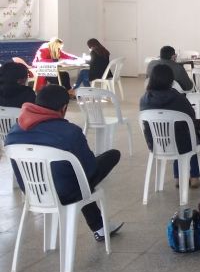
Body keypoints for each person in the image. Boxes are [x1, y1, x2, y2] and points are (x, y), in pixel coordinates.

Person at [5, 85, 124, 241]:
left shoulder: (14, 132)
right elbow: (89, 170)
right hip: (66, 193)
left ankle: (100, 227)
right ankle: (100, 227)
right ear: (64, 108)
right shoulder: (70, 132)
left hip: (33, 192)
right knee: (108, 158)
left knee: (77, 179)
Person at [140, 64, 200, 188]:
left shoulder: (144, 99)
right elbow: (190, 117)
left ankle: (178, 177)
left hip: (155, 144)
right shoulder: (178, 98)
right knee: (189, 134)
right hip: (181, 143)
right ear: (171, 80)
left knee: (179, 133)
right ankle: (194, 176)